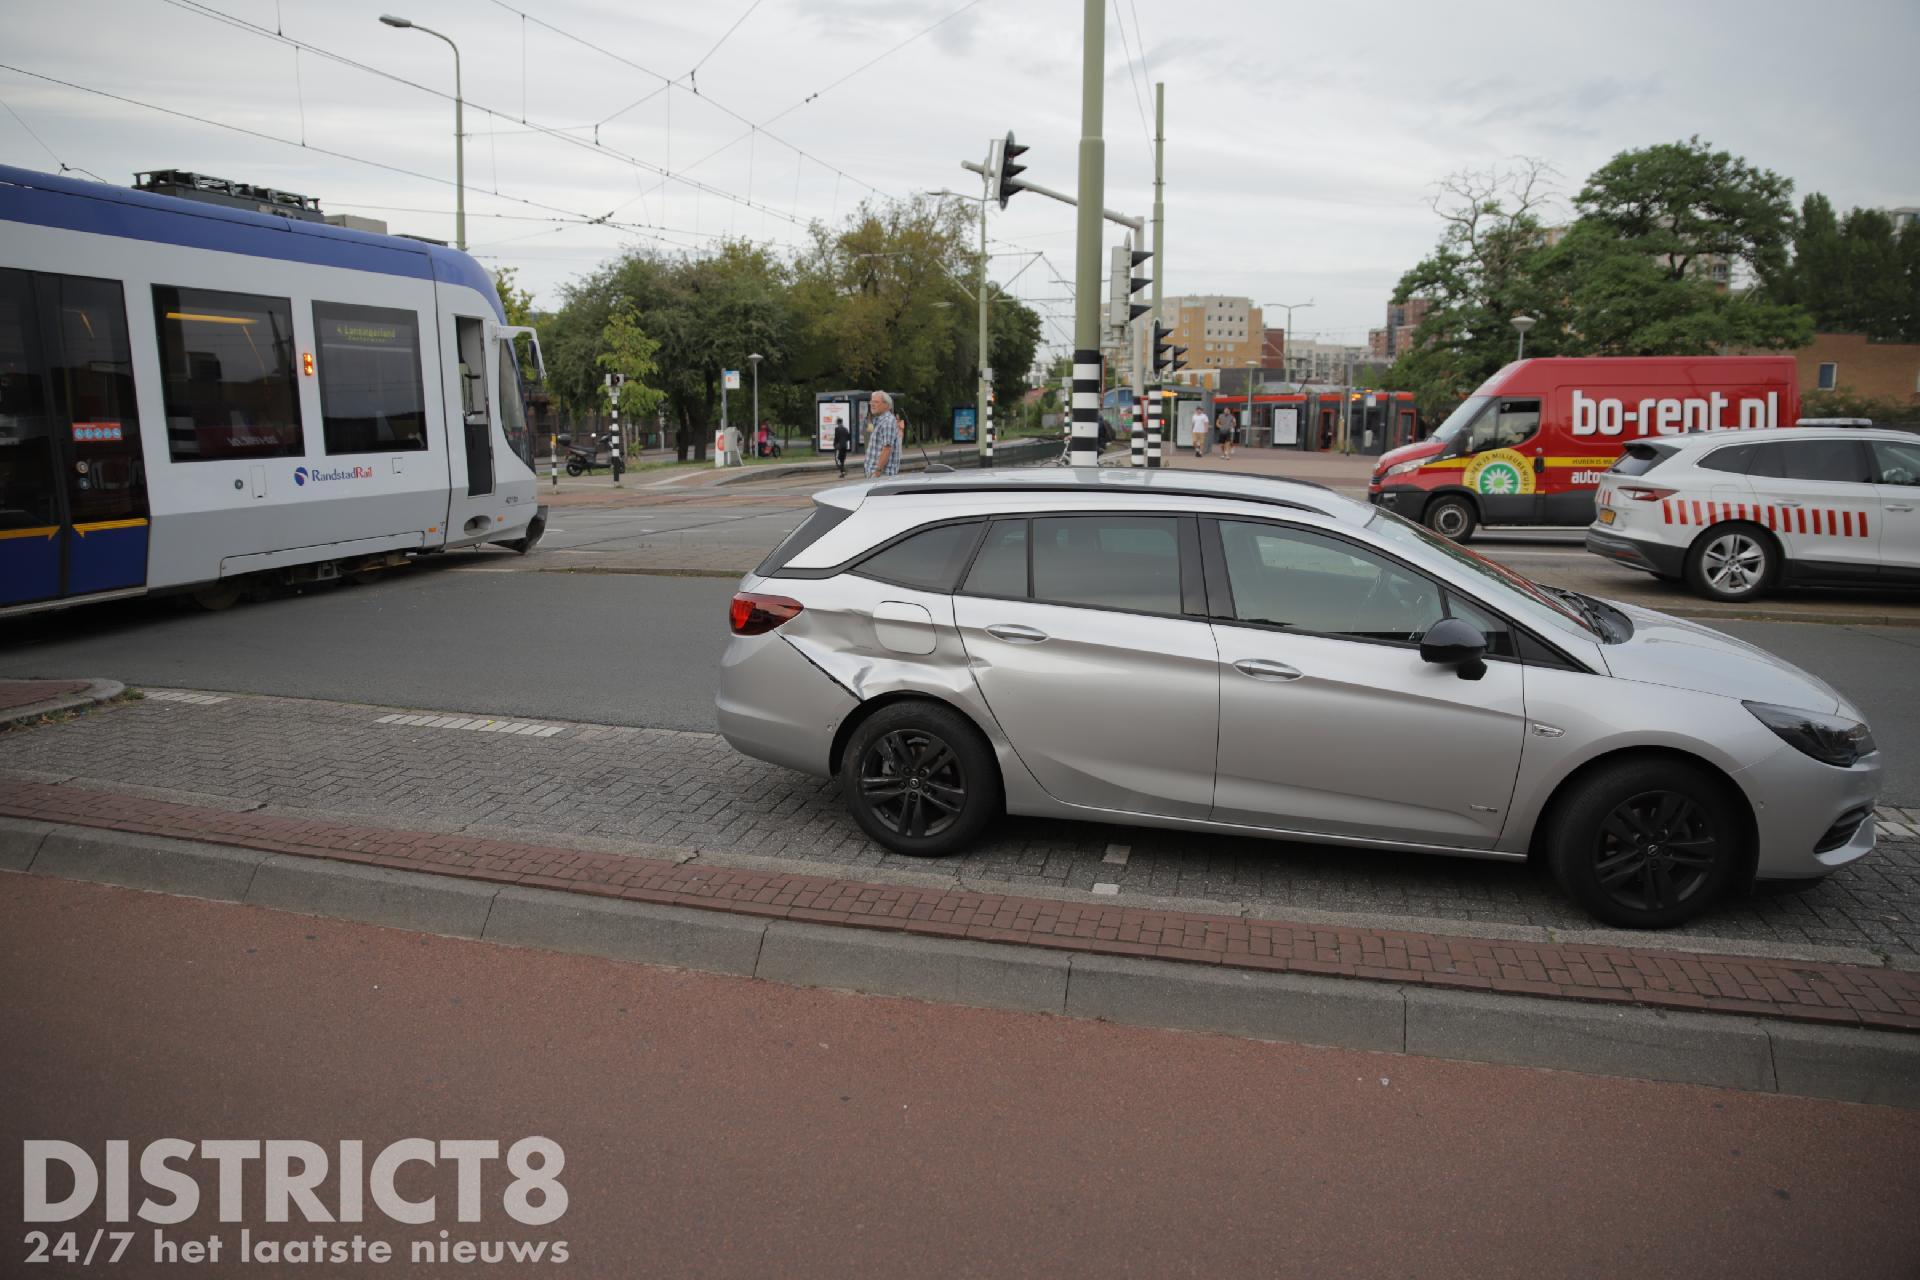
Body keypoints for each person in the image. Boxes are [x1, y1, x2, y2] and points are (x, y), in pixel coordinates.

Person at [863, 390, 901, 478]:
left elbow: (887, 448)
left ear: (886, 405)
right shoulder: (880, 421)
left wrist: (877, 472)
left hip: (881, 476)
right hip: (878, 475)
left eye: (876, 402)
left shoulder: (887, 422)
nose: (872, 404)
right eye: (871, 401)